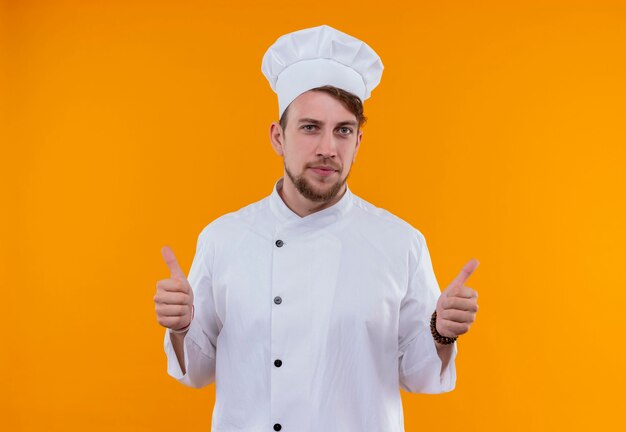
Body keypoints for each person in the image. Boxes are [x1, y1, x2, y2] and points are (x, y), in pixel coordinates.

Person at [154, 24, 479, 432]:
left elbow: (420, 376)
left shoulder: (402, 244)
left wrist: (442, 332)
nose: (328, 148)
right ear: (278, 137)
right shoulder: (223, 238)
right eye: (310, 127)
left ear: (358, 141)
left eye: (343, 130)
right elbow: (198, 372)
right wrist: (181, 326)